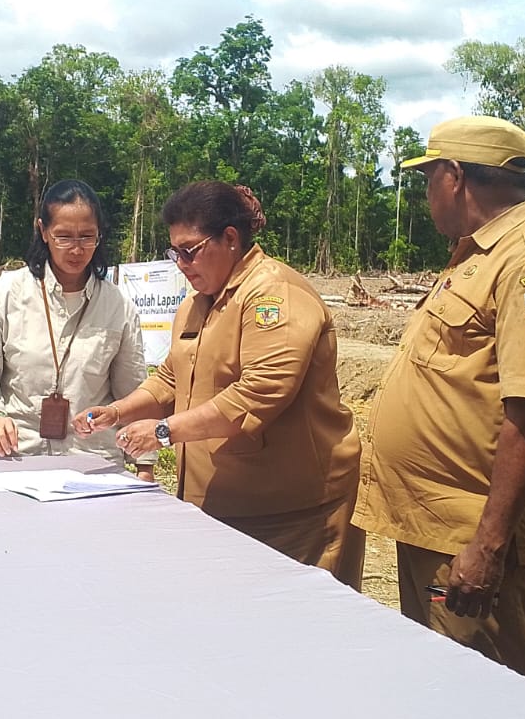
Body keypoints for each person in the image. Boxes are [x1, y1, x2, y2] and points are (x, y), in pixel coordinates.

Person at [351, 116, 525, 684]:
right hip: (438, 529)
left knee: (490, 701)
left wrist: (487, 547)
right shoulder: (479, 253)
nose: (426, 193)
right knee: (446, 692)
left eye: (428, 177)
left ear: (454, 177)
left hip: (474, 540)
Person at [75, 182, 364, 586]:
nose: (181, 264)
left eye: (190, 250)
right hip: (220, 508)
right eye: (174, 252)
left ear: (230, 238)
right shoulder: (196, 303)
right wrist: (118, 411)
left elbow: (260, 392)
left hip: (289, 514)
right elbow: (171, 378)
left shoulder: (272, 294)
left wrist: (163, 431)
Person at [0, 179, 154, 475]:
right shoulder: (6, 294)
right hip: (16, 459)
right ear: (43, 231)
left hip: (92, 465)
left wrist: (145, 463)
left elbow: (134, 392)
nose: (76, 250)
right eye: (64, 236)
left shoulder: (118, 306)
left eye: (87, 236)